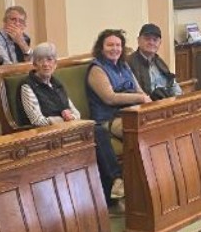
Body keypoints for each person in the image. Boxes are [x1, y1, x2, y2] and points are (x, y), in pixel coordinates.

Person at [86, 29, 150, 204]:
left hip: (132, 113)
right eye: (110, 45)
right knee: (141, 131)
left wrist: (147, 102)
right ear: (101, 47)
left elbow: (140, 91)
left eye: (118, 45)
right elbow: (110, 97)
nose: (114, 49)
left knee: (155, 125)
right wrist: (140, 98)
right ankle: (128, 185)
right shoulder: (96, 69)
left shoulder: (124, 66)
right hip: (108, 119)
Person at [19, 42, 80, 126]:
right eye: (40, 60)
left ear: (55, 64)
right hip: (41, 134)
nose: (45, 64)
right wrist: (63, 119)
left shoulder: (57, 84)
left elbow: (77, 114)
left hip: (63, 129)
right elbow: (37, 121)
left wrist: (71, 117)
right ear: (35, 65)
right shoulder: (27, 86)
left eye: (49, 59)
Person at [128, 23, 181, 100]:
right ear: (138, 40)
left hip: (167, 104)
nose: (151, 43)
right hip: (146, 106)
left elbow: (172, 84)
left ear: (160, 43)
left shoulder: (159, 61)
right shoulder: (129, 63)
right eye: (147, 39)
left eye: (155, 40)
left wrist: (180, 100)